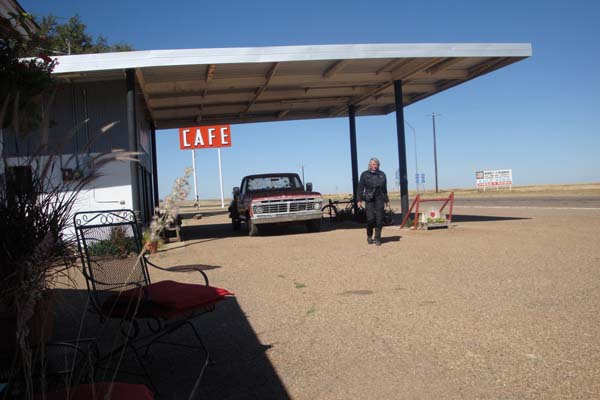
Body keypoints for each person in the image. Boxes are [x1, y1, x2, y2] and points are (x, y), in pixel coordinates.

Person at [357, 157, 389, 246]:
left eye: (376, 164)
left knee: (379, 220)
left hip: (379, 198)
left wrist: (387, 200)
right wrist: (359, 200)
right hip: (369, 199)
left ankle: (377, 237)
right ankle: (369, 235)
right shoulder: (364, 174)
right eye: (372, 164)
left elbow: (384, 189)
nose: (374, 166)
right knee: (370, 219)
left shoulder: (382, 175)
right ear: (369, 165)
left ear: (378, 165)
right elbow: (360, 188)